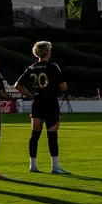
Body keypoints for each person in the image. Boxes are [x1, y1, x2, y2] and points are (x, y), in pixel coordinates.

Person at [23, 40, 67, 174]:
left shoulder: (31, 68)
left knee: (34, 135)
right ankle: (55, 166)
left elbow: (17, 85)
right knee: (52, 135)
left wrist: (30, 95)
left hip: (37, 103)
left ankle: (33, 165)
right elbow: (63, 87)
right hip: (51, 103)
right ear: (48, 52)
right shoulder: (53, 67)